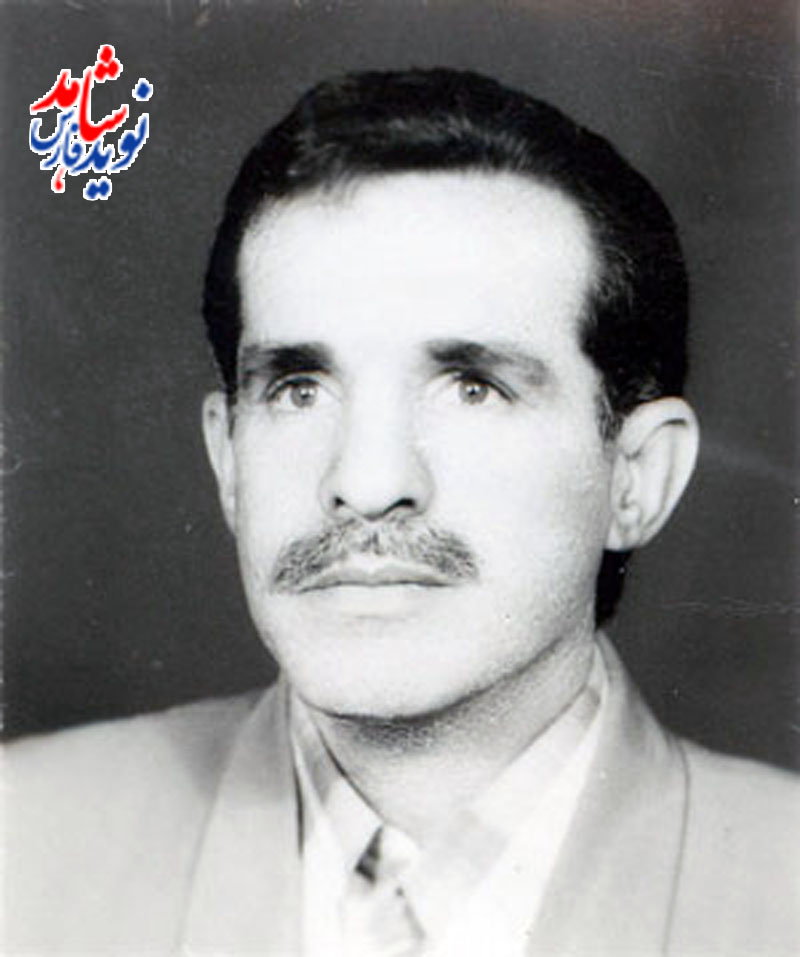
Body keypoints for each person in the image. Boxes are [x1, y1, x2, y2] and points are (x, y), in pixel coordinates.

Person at [7, 69, 798, 956]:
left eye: (472, 387)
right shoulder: (21, 844)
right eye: (299, 388)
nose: (367, 480)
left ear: (637, 477)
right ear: (228, 460)